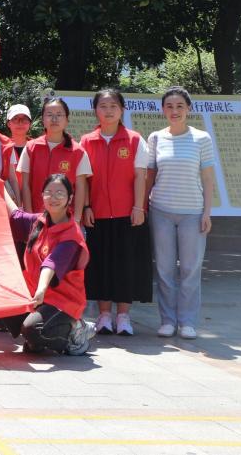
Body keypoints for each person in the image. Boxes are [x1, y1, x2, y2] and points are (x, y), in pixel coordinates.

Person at [146, 86, 216, 340]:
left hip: (192, 213)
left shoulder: (201, 138)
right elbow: (149, 176)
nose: (174, 111)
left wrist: (207, 213)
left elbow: (208, 179)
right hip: (160, 211)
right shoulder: (155, 138)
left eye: (179, 106)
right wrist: (141, 207)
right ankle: (167, 321)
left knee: (190, 269)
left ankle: (187, 322)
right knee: (164, 269)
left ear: (188, 109)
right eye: (169, 106)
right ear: (163, 110)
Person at [79, 88, 150, 337]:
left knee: (125, 265)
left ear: (122, 110)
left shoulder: (134, 140)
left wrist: (139, 207)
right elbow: (84, 180)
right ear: (95, 110)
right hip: (97, 214)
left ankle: (123, 316)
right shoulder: (87, 141)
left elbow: (140, 176)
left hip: (128, 215)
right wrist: (86, 206)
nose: (108, 111)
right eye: (103, 106)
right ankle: (104, 316)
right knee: (101, 265)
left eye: (113, 106)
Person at [0, 175, 92, 356]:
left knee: (33, 329)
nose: (53, 198)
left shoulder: (72, 235)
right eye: (48, 192)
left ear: (70, 198)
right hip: (35, 295)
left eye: (60, 193)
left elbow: (51, 264)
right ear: (42, 196)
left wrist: (41, 289)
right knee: (1, 300)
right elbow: (15, 215)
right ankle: (38, 340)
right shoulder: (38, 222)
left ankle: (75, 331)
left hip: (62, 301)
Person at [17, 96, 91, 220]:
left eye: (59, 115)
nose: (54, 119)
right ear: (43, 120)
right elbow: (25, 185)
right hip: (37, 217)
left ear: (67, 120)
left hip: (66, 219)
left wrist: (77, 220)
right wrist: (30, 217)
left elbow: (80, 188)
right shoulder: (31, 148)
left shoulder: (78, 152)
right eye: (49, 114)